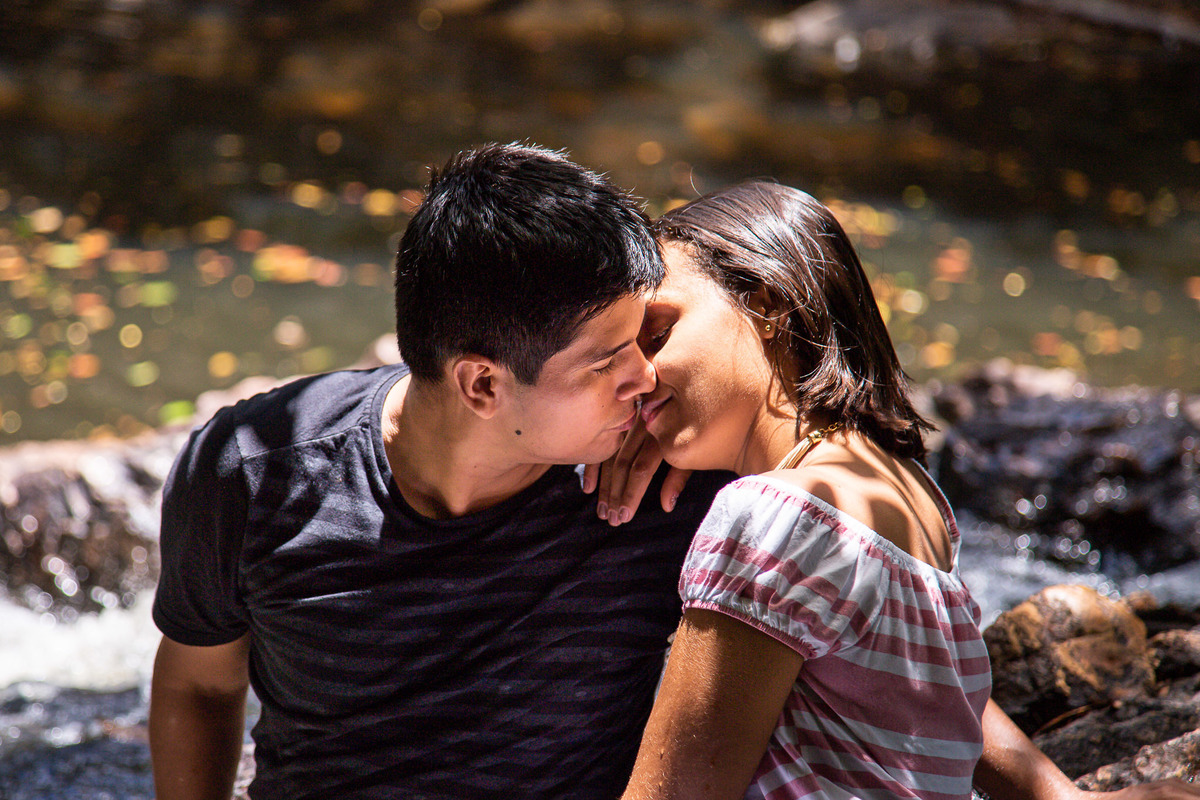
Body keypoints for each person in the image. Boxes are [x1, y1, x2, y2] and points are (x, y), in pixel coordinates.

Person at [147, 141, 726, 800]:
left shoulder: (667, 484)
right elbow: (200, 683)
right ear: (482, 385)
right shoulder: (252, 477)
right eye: (605, 363)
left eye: (644, 340)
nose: (645, 378)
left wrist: (699, 431)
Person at [592, 180, 1200, 800]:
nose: (635, 377)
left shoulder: (770, 517)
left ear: (767, 304)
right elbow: (928, 694)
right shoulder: (915, 497)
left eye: (657, 334)